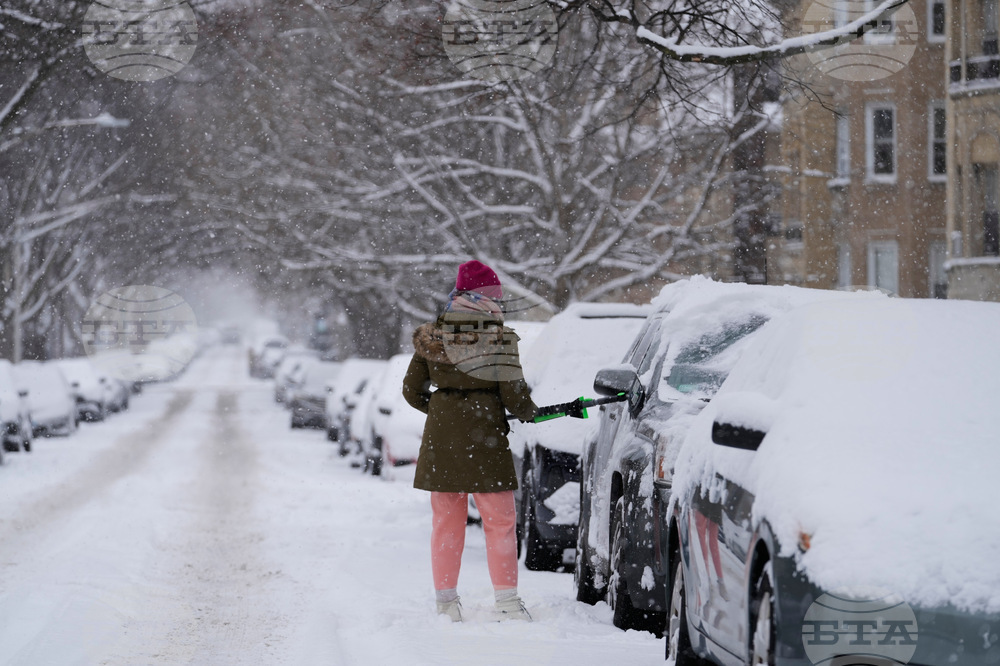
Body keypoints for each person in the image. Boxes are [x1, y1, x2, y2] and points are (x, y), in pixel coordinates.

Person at [402, 260, 538, 623]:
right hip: (487, 439)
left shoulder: (433, 336)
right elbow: (514, 397)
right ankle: (507, 603)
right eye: (497, 294)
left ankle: (446, 604)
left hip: (442, 439)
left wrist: (441, 412)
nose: (501, 300)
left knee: (446, 522)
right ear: (485, 297)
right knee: (500, 521)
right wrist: (530, 411)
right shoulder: (499, 337)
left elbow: (411, 390)